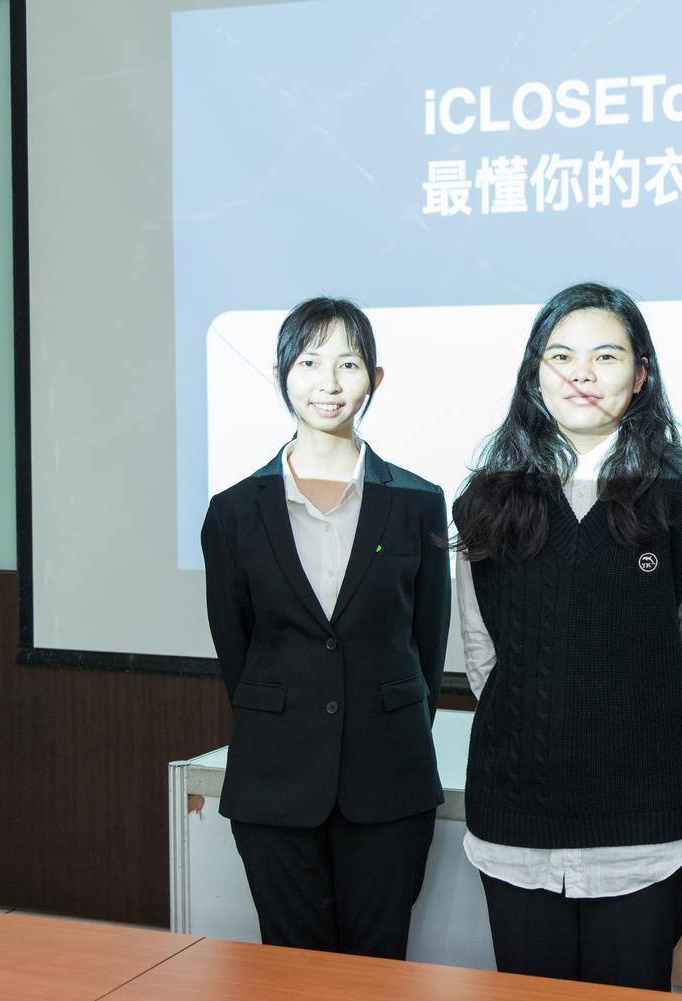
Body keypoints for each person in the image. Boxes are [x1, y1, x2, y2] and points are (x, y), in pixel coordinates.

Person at [452, 282, 682, 991]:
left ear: (640, 376)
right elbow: (482, 653)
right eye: (562, 356)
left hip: (643, 831)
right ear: (535, 372)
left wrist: (653, 755)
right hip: (515, 823)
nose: (581, 374)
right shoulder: (486, 499)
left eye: (606, 356)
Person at [200, 296, 449, 960]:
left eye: (348, 363)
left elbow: (427, 644)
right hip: (275, 782)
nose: (329, 383)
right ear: (280, 374)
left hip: (389, 778)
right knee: (291, 972)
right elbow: (238, 650)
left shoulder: (418, 502)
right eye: (309, 363)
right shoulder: (233, 512)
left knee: (377, 969)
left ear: (375, 379)